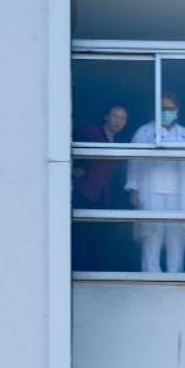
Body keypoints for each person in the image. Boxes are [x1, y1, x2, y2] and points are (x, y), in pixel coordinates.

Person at [125, 92, 185, 273]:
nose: (168, 112)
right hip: (151, 191)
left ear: (177, 111)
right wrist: (133, 188)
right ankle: (150, 278)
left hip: (179, 194)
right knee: (151, 237)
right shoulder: (143, 132)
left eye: (171, 109)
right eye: (164, 109)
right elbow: (133, 161)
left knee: (177, 239)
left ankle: (176, 280)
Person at [72, 105, 130, 271]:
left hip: (104, 199)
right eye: (115, 116)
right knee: (80, 236)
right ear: (106, 117)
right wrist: (75, 166)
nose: (119, 121)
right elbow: (70, 144)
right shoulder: (91, 132)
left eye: (123, 118)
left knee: (99, 238)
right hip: (85, 194)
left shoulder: (118, 143)